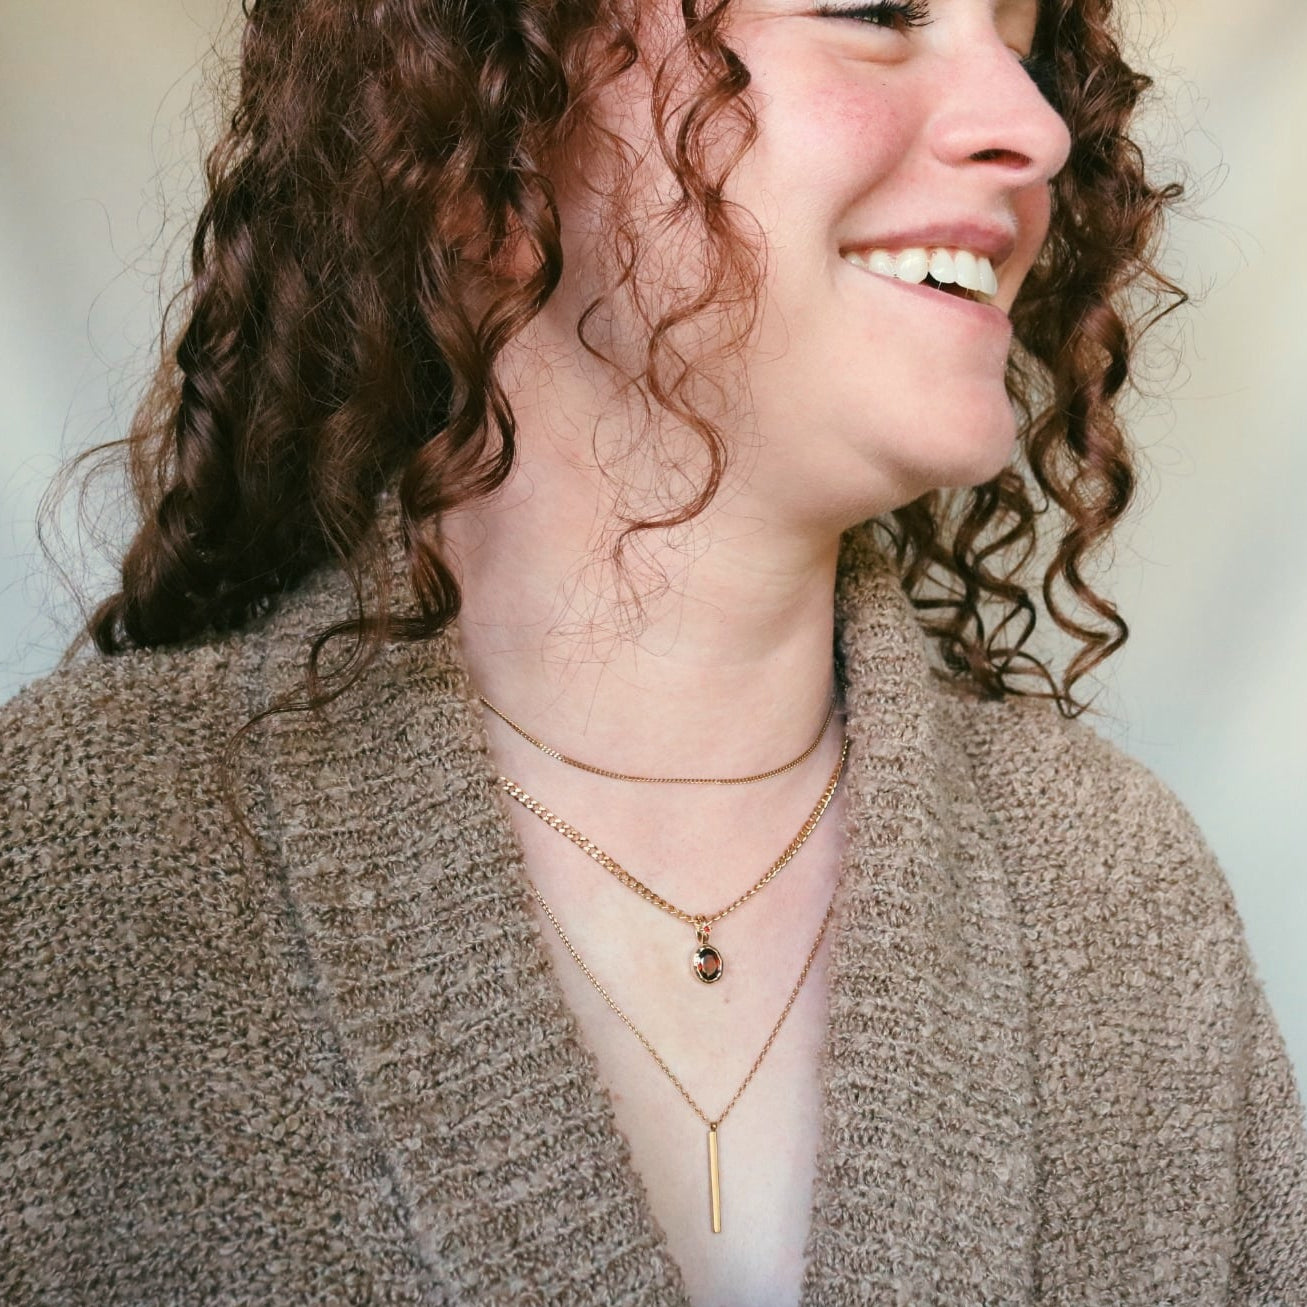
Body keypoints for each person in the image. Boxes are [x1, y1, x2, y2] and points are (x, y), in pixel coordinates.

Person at [2, 0, 1304, 1302]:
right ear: (483, 120)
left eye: (1019, 40)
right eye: (872, 8)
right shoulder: (68, 869)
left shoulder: (1121, 897)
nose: (1030, 125)